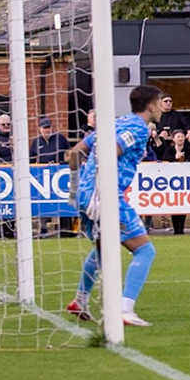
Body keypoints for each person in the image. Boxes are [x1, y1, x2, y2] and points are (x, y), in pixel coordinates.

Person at [65, 84, 169, 326]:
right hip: (106, 197)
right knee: (145, 250)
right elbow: (111, 150)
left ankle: (80, 300)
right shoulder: (138, 128)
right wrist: (101, 189)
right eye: (160, 103)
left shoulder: (115, 123)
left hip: (84, 195)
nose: (162, 109)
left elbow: (74, 153)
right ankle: (124, 309)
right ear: (151, 105)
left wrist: (75, 189)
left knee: (103, 249)